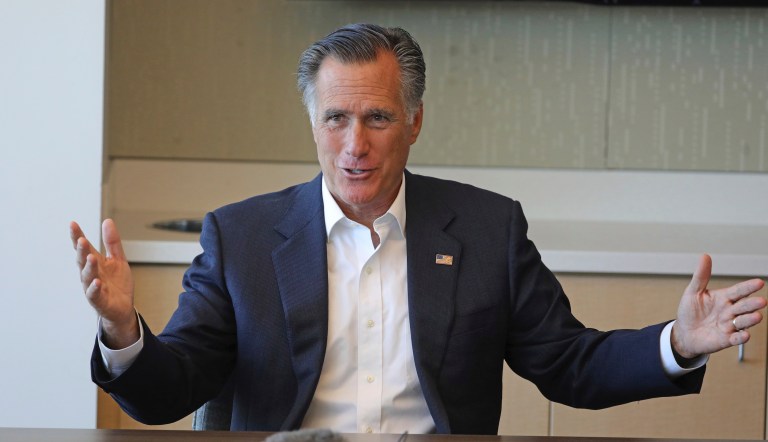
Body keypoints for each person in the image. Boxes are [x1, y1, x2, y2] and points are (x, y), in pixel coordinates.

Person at [70, 24, 766, 435]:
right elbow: (170, 391)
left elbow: (568, 364)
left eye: (376, 118)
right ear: (313, 125)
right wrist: (124, 332)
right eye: (335, 119)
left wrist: (679, 344)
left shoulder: (487, 228)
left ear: (414, 122)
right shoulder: (241, 237)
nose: (354, 145)